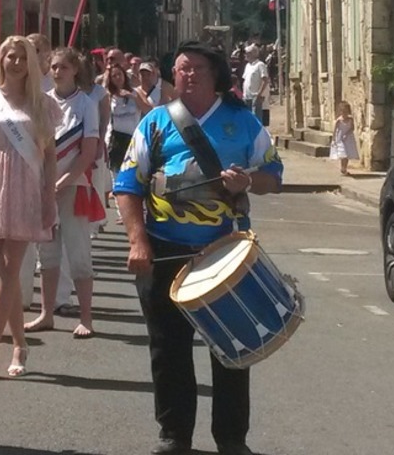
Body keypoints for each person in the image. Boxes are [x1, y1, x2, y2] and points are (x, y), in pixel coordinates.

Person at [113, 42, 283, 455]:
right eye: (181, 68)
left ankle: (231, 438)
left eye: (197, 69)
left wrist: (247, 183)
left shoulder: (242, 123)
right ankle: (174, 436)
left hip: (223, 253)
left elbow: (274, 174)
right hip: (164, 250)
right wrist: (138, 240)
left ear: (217, 75)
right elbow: (127, 184)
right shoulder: (154, 122)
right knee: (167, 349)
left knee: (231, 346)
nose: (187, 75)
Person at [0, 36, 56, 382]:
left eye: (21, 58)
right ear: (0, 59)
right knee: (5, 274)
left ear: (30, 62)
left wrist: (48, 198)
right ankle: (19, 343)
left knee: (9, 272)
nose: (14, 63)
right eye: (9, 57)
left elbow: (49, 156)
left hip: (26, 186)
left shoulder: (40, 104)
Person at [27, 48, 102, 337]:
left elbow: (88, 151)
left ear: (75, 70)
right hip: (43, 187)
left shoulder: (86, 104)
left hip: (75, 187)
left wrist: (66, 180)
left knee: (79, 252)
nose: (57, 72)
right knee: (47, 252)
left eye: (63, 67)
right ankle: (47, 314)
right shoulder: (42, 103)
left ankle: (86, 319)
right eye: (54, 67)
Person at [241, 47, 270, 126]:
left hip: (255, 96)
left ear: (253, 54)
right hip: (247, 97)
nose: (245, 55)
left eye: (247, 53)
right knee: (248, 119)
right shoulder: (247, 66)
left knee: (256, 120)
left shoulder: (260, 65)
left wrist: (259, 93)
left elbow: (265, 80)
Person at [328, 101, 356, 175]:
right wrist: (333, 139)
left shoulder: (350, 119)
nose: (344, 113)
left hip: (348, 138)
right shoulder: (339, 121)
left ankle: (344, 168)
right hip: (340, 139)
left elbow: (352, 128)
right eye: (343, 111)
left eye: (346, 112)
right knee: (342, 153)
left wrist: (347, 134)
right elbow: (335, 130)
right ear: (340, 112)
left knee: (347, 154)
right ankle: (342, 167)